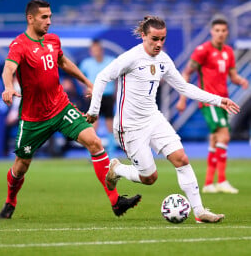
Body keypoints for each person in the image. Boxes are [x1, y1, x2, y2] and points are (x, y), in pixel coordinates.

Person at [86, 15, 241, 223]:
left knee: (181, 159)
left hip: (153, 118)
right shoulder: (130, 58)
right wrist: (94, 110)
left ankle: (200, 211)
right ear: (143, 36)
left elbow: (184, 87)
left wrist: (219, 100)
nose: (159, 44)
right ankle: (118, 169)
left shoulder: (163, 60)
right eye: (154, 39)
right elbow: (102, 76)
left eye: (163, 39)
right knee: (149, 178)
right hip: (129, 126)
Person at [0, 0, 141, 219]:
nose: (49, 21)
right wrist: (8, 86)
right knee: (21, 166)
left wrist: (87, 82)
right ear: (30, 18)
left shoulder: (53, 40)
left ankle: (116, 202)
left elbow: (63, 63)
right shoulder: (19, 45)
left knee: (94, 141)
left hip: (60, 107)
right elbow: (9, 68)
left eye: (50, 16)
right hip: (33, 117)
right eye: (44, 17)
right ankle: (10, 201)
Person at [176, 17, 249, 194]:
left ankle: (209, 183)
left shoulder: (229, 52)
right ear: (211, 32)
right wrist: (182, 99)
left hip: (224, 100)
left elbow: (232, 75)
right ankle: (222, 180)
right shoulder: (203, 51)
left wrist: (240, 80)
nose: (220, 34)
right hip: (210, 101)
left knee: (215, 139)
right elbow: (186, 73)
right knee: (224, 135)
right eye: (217, 30)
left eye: (223, 31)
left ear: (227, 32)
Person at [79, 39, 116, 157]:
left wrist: (116, 91)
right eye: (94, 50)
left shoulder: (111, 61)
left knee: (110, 125)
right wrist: (86, 88)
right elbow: (80, 77)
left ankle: (111, 153)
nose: (96, 52)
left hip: (108, 96)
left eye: (98, 49)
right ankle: (92, 152)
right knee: (93, 124)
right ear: (91, 51)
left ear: (102, 50)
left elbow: (117, 78)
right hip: (94, 97)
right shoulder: (86, 63)